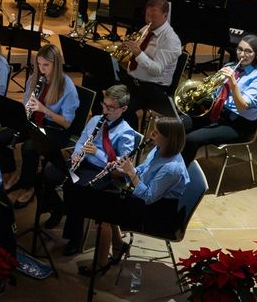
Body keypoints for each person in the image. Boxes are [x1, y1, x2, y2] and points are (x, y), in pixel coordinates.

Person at [64, 116, 189, 275]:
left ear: (167, 138)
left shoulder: (171, 169)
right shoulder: (159, 150)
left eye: (156, 133)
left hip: (158, 213)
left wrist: (130, 172)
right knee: (108, 197)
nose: (151, 134)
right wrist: (122, 169)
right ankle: (118, 246)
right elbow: (143, 171)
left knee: (102, 212)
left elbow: (148, 197)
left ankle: (101, 263)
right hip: (148, 200)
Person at [53, 84, 138, 256]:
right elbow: (81, 140)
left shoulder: (126, 133)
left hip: (104, 172)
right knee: (49, 172)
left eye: (111, 108)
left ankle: (75, 239)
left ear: (123, 108)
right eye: (104, 105)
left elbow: (122, 166)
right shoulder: (95, 120)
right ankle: (57, 208)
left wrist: (97, 152)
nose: (105, 111)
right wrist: (77, 154)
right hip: (83, 163)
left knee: (77, 188)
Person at [4, 44, 80, 207]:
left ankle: (28, 186)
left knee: (29, 147)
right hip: (34, 120)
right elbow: (25, 104)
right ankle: (10, 174)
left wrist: (44, 109)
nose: (41, 68)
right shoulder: (35, 78)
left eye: (46, 65)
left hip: (56, 128)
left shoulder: (67, 87)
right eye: (39, 64)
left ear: (56, 64)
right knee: (4, 136)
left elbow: (67, 123)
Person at [180, 35, 257, 163]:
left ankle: (177, 174)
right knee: (177, 124)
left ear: (256, 54)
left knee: (191, 139)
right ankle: (163, 162)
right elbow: (216, 94)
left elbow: (242, 106)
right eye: (240, 49)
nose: (242, 55)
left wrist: (233, 83)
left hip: (238, 123)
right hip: (217, 112)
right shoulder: (230, 65)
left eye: (248, 51)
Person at [123, 0, 184, 106]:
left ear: (165, 14)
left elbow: (157, 70)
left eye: (154, 16)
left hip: (152, 88)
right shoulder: (145, 29)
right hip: (133, 81)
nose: (149, 20)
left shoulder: (170, 40)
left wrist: (138, 53)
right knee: (98, 86)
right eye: (147, 15)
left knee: (122, 107)